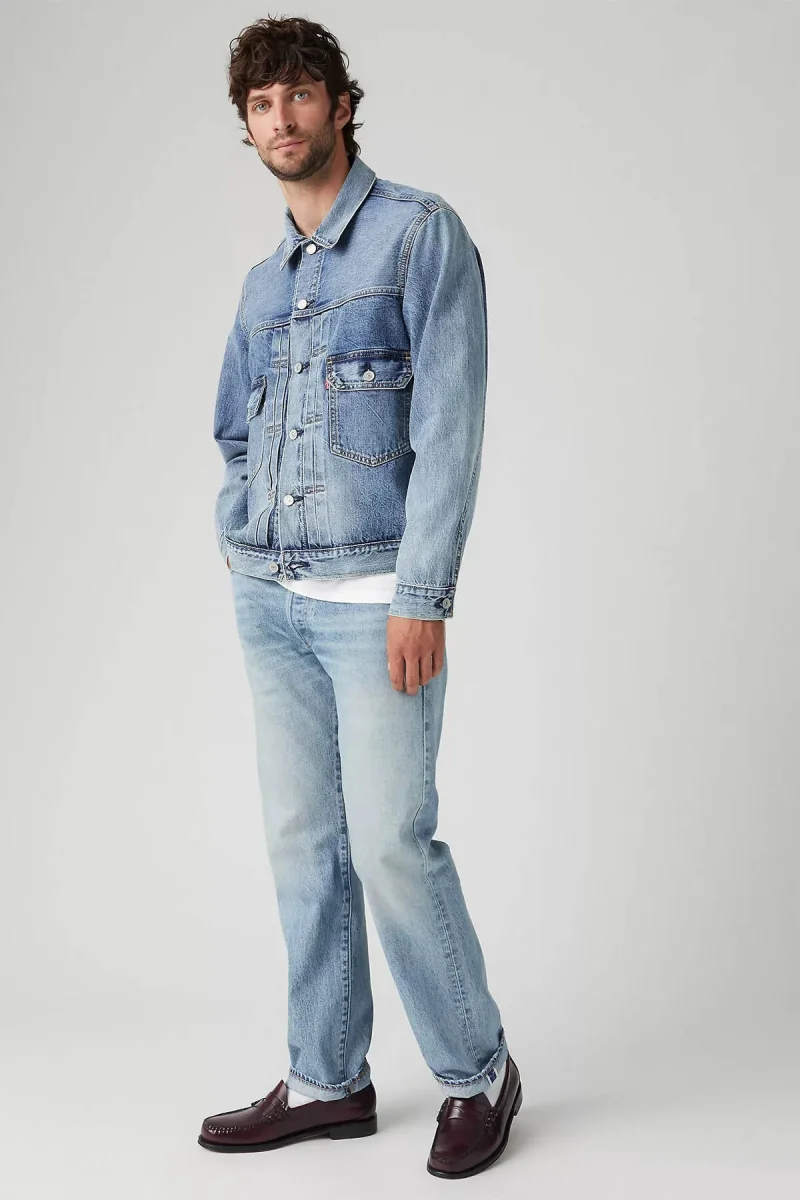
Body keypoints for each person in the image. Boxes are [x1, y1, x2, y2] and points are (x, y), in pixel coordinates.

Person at [198, 15, 522, 1179]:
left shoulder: (417, 236)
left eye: (297, 94)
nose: (279, 118)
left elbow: (449, 427)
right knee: (303, 847)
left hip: (379, 600)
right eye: (259, 105)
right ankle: (327, 1080)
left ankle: (477, 1071)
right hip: (271, 601)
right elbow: (234, 432)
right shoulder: (262, 285)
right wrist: (242, 540)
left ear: (339, 105)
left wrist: (421, 595)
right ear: (246, 129)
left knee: (390, 843)